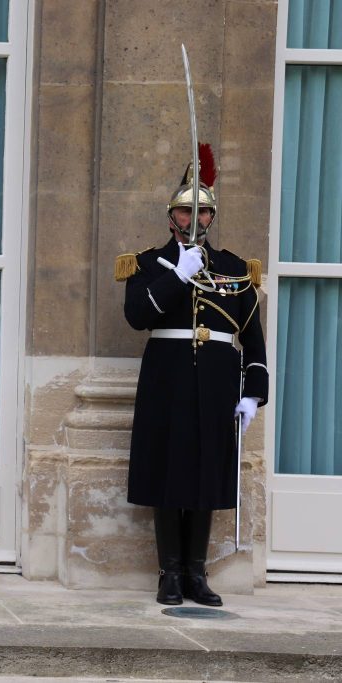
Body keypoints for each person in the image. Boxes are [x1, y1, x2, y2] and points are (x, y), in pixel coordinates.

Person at [116, 150, 267, 607]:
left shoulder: (235, 268)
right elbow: (137, 317)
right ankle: (170, 573)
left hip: (217, 381)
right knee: (167, 471)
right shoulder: (148, 264)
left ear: (212, 217)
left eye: (203, 211)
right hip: (168, 376)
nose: (195, 218)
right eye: (186, 210)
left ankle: (197, 573)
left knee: (205, 474)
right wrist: (178, 276)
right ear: (171, 217)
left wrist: (253, 393)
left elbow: (251, 336)